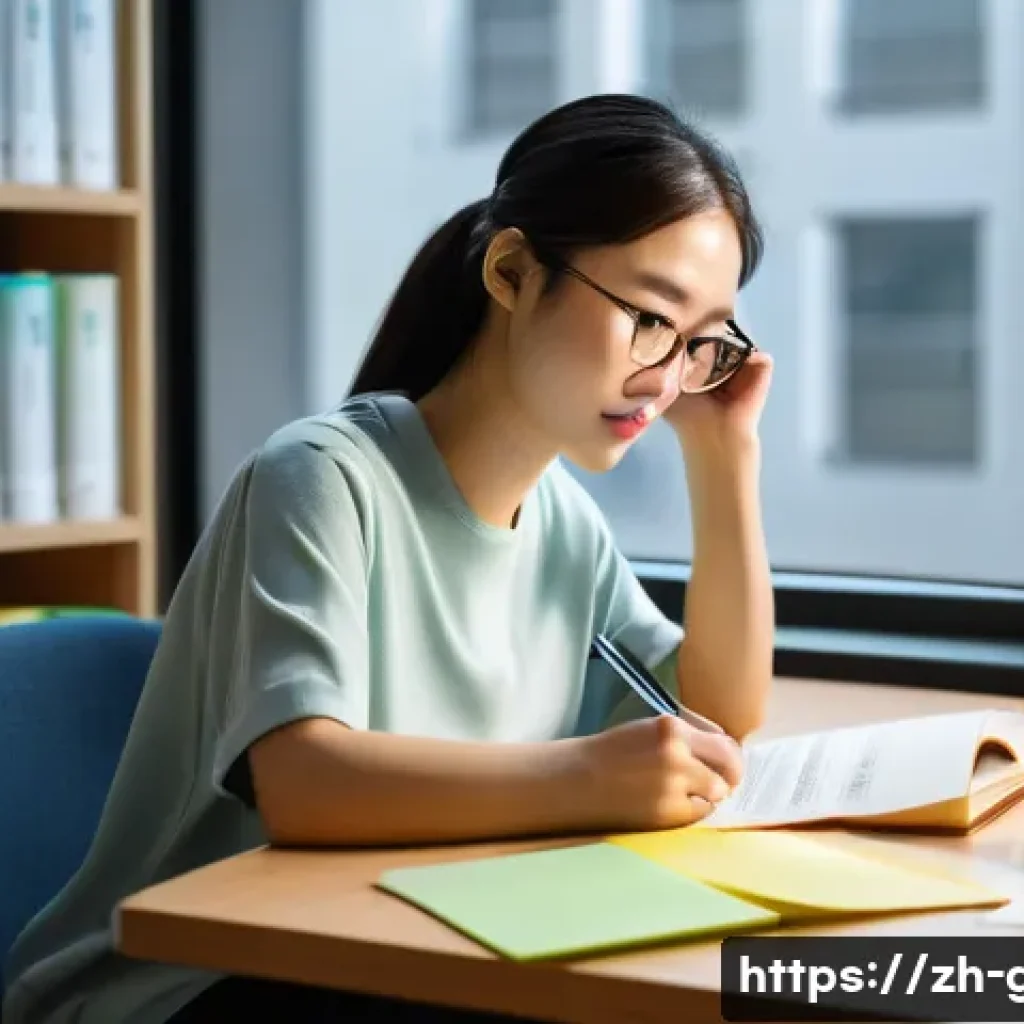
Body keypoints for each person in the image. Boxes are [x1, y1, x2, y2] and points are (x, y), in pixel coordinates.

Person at [3, 93, 774, 1023]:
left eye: (702, 345)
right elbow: (303, 783)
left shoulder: (564, 522)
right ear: (514, 271)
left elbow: (717, 710)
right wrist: (590, 777)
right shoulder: (321, 478)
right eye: (652, 319)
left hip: (406, 951)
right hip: (195, 987)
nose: (667, 377)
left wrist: (725, 457)